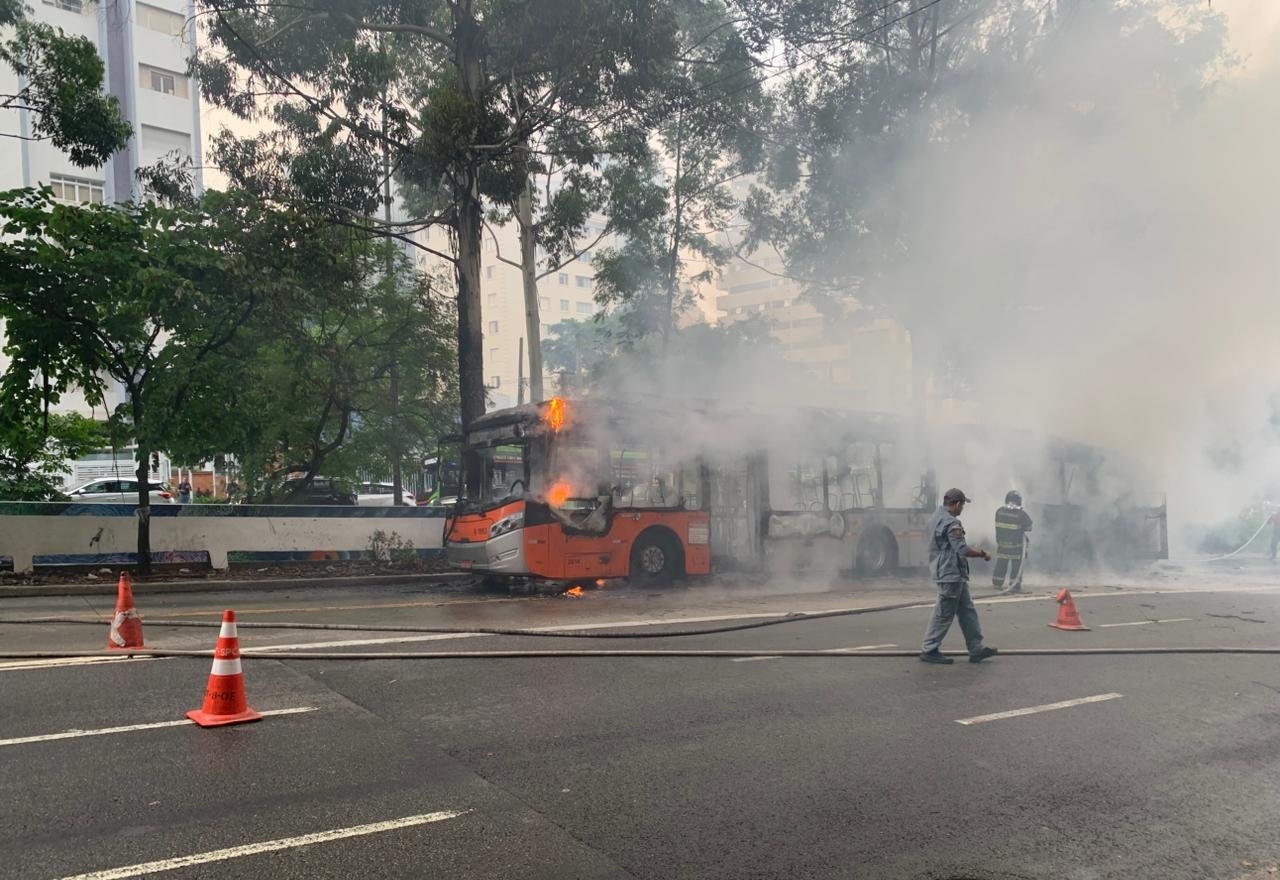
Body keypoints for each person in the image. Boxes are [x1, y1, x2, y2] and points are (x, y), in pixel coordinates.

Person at [921, 487, 998, 665]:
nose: (962, 509)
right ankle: (929, 649)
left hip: (950, 573)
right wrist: (982, 553)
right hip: (951, 574)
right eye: (962, 505)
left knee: (967, 611)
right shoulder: (951, 523)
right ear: (956, 504)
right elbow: (961, 549)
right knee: (944, 613)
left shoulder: (934, 517)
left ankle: (976, 649)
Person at [993, 490, 1034, 593]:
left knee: (1001, 564)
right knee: (1017, 566)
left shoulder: (999, 511)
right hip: (1016, 547)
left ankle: (997, 583)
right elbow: (1029, 527)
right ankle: (1014, 586)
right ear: (1019, 501)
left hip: (1002, 545)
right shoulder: (1021, 514)